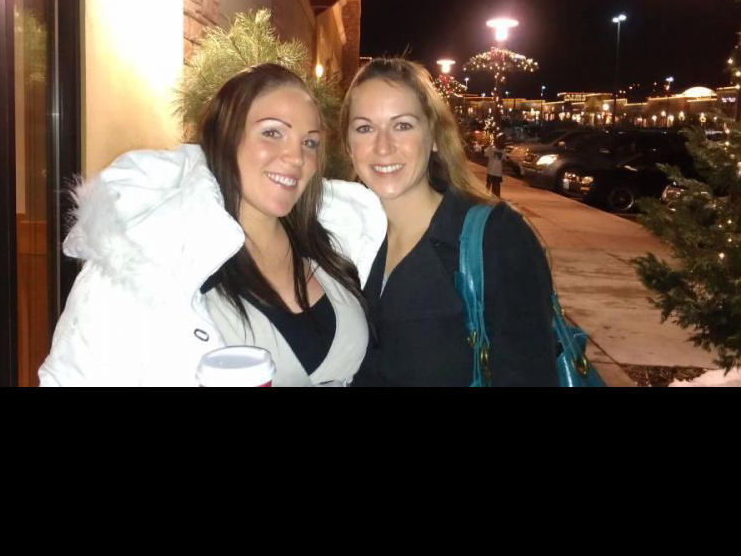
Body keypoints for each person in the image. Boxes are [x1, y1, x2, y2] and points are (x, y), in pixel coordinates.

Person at [39, 64, 385, 386]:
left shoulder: (330, 241)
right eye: (272, 132)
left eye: (309, 142)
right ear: (226, 137)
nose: (296, 158)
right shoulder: (146, 258)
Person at [339, 58, 558, 387]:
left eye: (402, 125)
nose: (383, 147)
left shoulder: (496, 237)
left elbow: (530, 372)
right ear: (348, 145)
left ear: (435, 136)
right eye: (365, 128)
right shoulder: (343, 239)